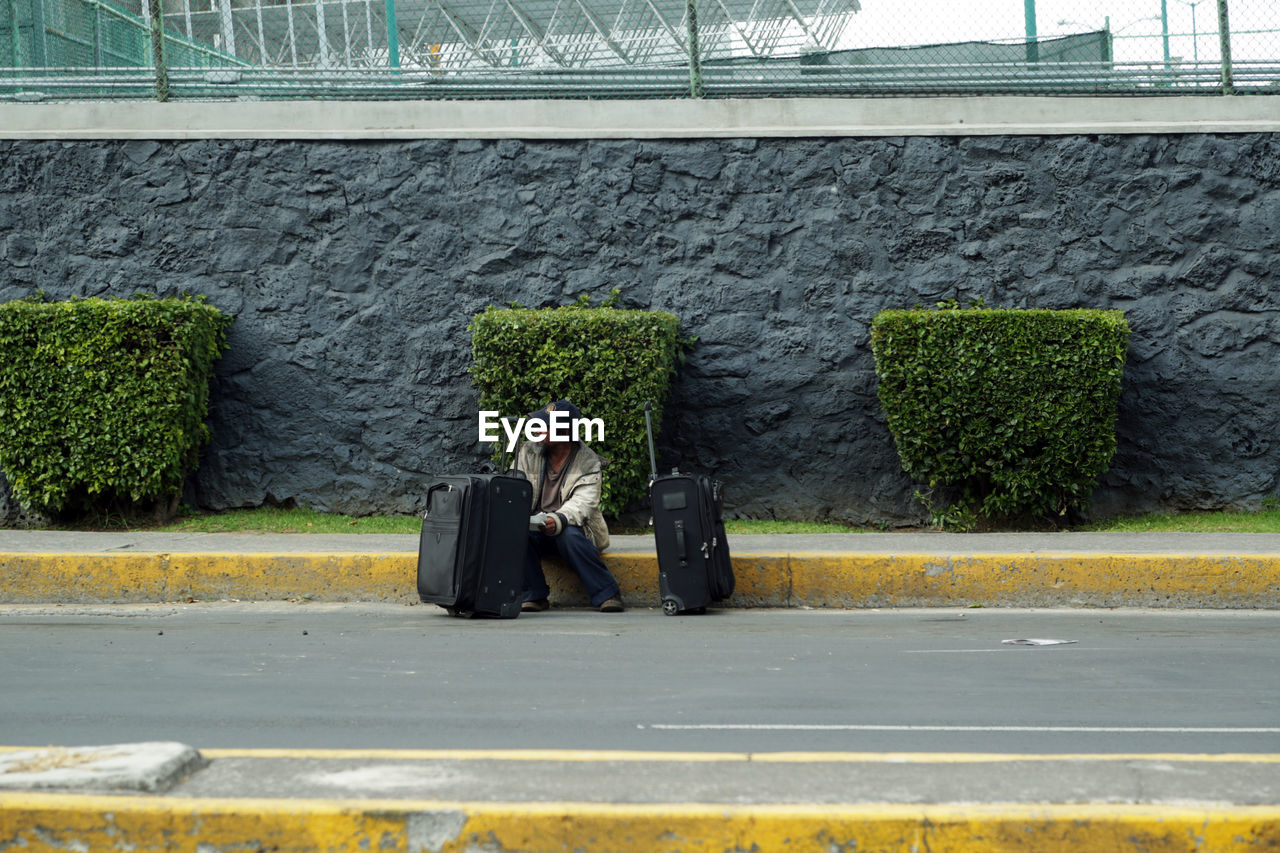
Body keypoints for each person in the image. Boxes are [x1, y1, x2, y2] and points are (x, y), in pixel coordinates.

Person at [516, 400, 624, 613]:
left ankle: (608, 593)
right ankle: (534, 595)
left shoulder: (588, 462)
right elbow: (516, 487)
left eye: (545, 426)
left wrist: (556, 520)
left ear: (564, 431)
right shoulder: (528, 452)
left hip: (575, 528)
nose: (537, 430)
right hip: (536, 528)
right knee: (517, 533)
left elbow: (583, 504)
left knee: (569, 536)